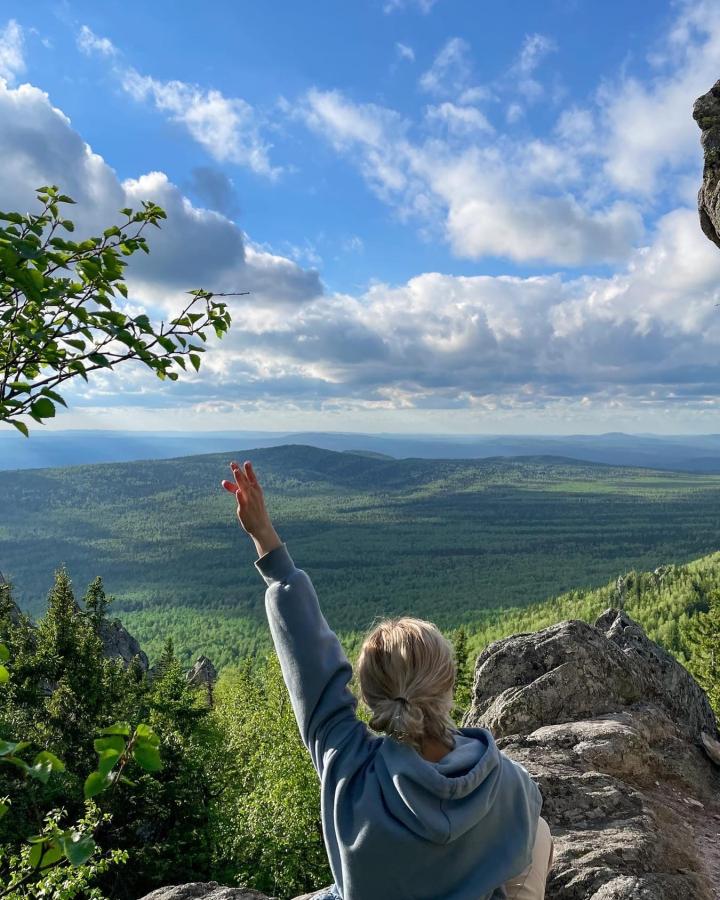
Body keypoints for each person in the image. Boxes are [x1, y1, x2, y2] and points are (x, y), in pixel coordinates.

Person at [222, 460, 553, 900]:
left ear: (368, 694)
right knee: (540, 832)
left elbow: (311, 664)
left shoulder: (350, 771)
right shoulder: (509, 785)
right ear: (448, 684)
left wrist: (266, 539)